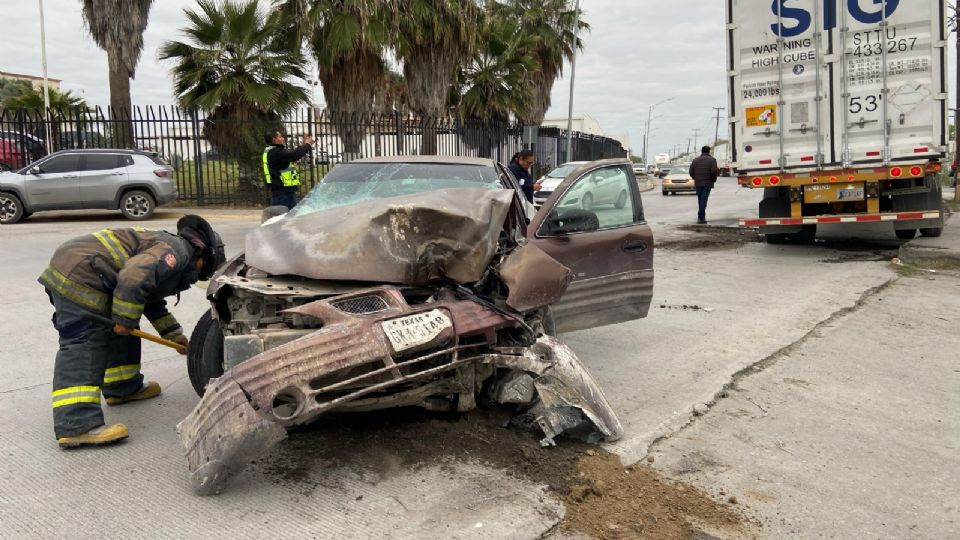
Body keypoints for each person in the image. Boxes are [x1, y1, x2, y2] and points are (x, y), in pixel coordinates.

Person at [39, 215, 226, 448]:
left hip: (87, 269)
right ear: (204, 257)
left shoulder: (174, 249)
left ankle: (122, 388)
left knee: (123, 326)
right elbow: (134, 276)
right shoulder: (177, 252)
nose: (200, 276)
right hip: (81, 274)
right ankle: (77, 424)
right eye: (204, 272)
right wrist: (125, 319)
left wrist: (173, 334)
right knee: (85, 341)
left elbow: (148, 297)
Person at [262, 130, 316, 209]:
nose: (283, 138)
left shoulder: (271, 151)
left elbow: (289, 158)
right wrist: (307, 144)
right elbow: (294, 155)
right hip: (283, 192)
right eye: (280, 137)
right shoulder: (276, 152)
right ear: (274, 140)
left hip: (281, 190)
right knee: (287, 218)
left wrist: (304, 144)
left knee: (284, 218)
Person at [689, 145, 720, 224]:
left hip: (698, 183)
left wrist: (696, 178)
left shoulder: (695, 160)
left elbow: (691, 172)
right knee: (703, 200)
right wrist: (713, 180)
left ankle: (701, 216)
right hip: (707, 183)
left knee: (700, 199)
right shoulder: (712, 160)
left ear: (702, 151)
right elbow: (714, 172)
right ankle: (701, 217)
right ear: (709, 151)